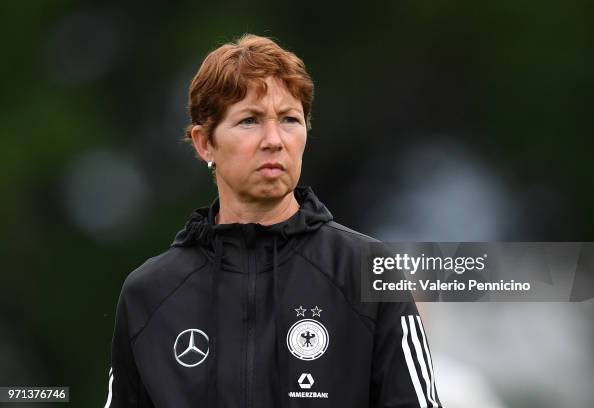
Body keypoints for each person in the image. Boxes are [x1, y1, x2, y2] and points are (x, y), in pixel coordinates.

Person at [104, 33, 444, 408]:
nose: (274, 140)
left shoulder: (367, 272)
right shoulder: (150, 294)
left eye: (289, 120)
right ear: (205, 144)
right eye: (249, 120)